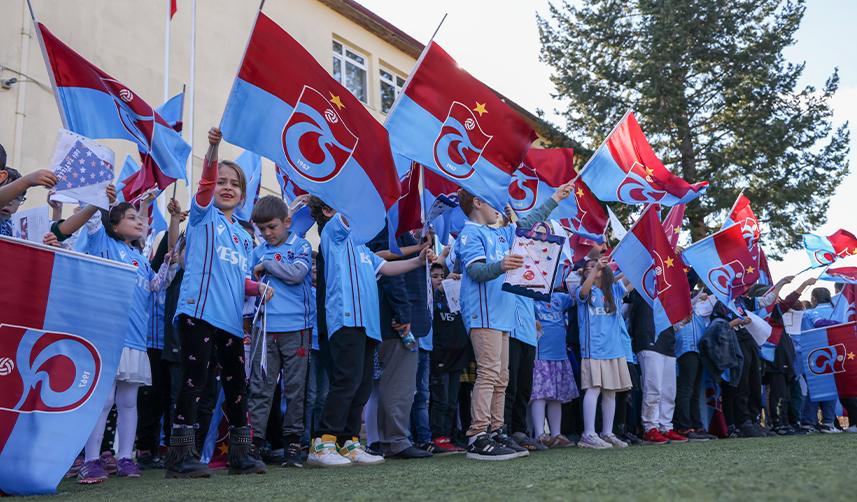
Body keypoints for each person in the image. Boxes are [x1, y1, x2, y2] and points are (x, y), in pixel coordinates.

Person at [166, 127, 272, 478]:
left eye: (235, 184)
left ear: (243, 195)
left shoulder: (244, 236)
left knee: (236, 385)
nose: (226, 187)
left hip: (229, 321)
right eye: (222, 181)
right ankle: (180, 457)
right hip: (197, 312)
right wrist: (212, 150)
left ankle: (241, 455)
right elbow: (206, 186)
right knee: (196, 380)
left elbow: (237, 279)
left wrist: (257, 288)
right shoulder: (201, 215)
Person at [55, 186, 176, 483]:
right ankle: (92, 460)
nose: (139, 221)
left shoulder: (140, 259)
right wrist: (102, 198)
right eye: (131, 217)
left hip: (134, 339)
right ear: (113, 223)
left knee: (128, 401)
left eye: (140, 218)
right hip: (107, 336)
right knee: (104, 400)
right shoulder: (101, 244)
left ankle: (125, 457)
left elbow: (156, 285)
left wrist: (169, 264)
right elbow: (93, 219)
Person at [306, 196, 434, 467]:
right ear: (329, 211)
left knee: (363, 384)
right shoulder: (333, 235)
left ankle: (349, 441)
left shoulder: (363, 249)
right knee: (346, 381)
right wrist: (356, 192)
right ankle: (322, 442)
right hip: (346, 320)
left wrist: (419, 259)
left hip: (369, 326)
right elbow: (347, 215)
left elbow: (387, 268)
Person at [456, 180, 574, 461]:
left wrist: (555, 197)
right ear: (478, 203)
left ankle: (496, 431)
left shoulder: (502, 233)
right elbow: (476, 272)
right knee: (488, 374)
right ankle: (477, 435)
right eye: (493, 200)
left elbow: (530, 223)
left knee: (502, 377)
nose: (500, 206)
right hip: (483, 314)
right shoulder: (470, 233)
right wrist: (501, 266)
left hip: (503, 315)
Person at [246, 196, 315, 468]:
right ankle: (254, 445)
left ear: (287, 222)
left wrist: (268, 265)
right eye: (262, 229)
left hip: (297, 328)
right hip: (264, 329)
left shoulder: (301, 244)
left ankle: (293, 445)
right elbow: (249, 284)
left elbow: (297, 274)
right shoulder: (257, 250)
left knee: (295, 390)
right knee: (261, 389)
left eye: (272, 227)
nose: (267, 233)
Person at [575, 257, 634, 449]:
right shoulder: (584, 290)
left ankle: (607, 433)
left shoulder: (614, 290)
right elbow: (583, 292)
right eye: (588, 268)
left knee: (611, 392)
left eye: (595, 266)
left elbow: (633, 277)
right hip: (594, 349)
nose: (591, 269)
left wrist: (645, 260)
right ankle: (588, 434)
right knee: (593, 389)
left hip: (614, 349)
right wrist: (596, 269)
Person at [428, 263, 468, 454]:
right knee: (440, 399)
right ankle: (438, 437)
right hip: (439, 354)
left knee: (453, 401)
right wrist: (440, 287)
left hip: (457, 355)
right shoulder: (430, 298)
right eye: (434, 276)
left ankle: (450, 436)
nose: (439, 279)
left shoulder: (453, 295)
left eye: (441, 275)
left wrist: (456, 283)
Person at [531, 292, 579, 448]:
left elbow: (577, 296)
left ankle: (556, 434)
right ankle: (539, 434)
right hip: (540, 355)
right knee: (540, 396)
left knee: (556, 396)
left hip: (559, 355)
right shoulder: (531, 299)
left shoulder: (560, 298)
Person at [673, 291, 719, 441]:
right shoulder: (677, 304)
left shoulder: (700, 306)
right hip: (685, 349)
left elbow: (718, 297)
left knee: (694, 392)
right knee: (686, 390)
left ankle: (697, 426)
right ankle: (684, 427)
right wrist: (698, 296)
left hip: (699, 349)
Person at [799, 285, 842, 433]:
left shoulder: (807, 313)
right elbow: (820, 323)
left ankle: (808, 423)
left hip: (809, 356)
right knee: (831, 388)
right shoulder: (836, 313)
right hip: (834, 356)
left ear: (813, 298)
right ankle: (828, 423)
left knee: (812, 389)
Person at [506, 294, 542, 451]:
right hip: (510, 334)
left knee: (524, 388)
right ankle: (503, 432)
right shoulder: (507, 273)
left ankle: (519, 431)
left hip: (530, 337)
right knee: (510, 387)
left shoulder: (530, 280)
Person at [0, 167, 57, 236]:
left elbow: (56, 230)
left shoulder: (17, 228)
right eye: (6, 194)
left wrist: (57, 210)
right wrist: (27, 181)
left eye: (17, 198)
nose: (9, 202)